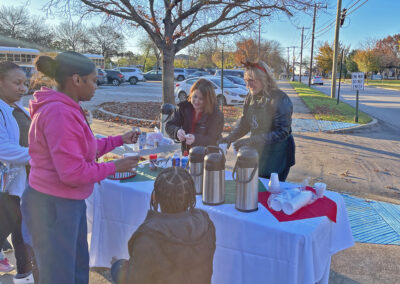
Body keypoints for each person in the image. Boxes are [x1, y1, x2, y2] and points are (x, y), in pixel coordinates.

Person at [20, 51, 140, 284]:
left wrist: (119, 140)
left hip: (63, 203)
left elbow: (81, 148)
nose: (97, 86)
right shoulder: (59, 112)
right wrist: (115, 167)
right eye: (93, 80)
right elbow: (72, 173)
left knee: (75, 270)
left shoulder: (66, 107)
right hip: (53, 206)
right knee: (60, 275)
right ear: (76, 80)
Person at [111, 167, 216, 284]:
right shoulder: (205, 224)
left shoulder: (148, 237)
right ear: (191, 197)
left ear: (154, 197)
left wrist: (117, 267)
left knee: (118, 267)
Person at [218, 61, 295, 181]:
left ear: (264, 79)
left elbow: (282, 132)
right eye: (246, 80)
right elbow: (245, 124)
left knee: (270, 189)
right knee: (254, 185)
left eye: (252, 80)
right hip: (259, 151)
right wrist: (229, 138)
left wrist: (252, 140)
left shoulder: (280, 99)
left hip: (278, 154)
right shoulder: (250, 97)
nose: (248, 85)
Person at [0, 62, 35, 283]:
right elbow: (3, 148)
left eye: (25, 83)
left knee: (22, 233)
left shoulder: (17, 107)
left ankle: (24, 276)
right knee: (15, 229)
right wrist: (41, 156)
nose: (23, 88)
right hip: (6, 187)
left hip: (22, 183)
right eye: (17, 83)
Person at [166, 78, 224, 153]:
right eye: (195, 96)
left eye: (201, 99)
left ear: (208, 99)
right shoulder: (184, 108)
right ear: (191, 94)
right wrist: (177, 131)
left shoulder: (216, 114)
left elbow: (213, 138)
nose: (196, 101)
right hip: (187, 154)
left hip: (209, 157)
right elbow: (169, 125)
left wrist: (195, 139)